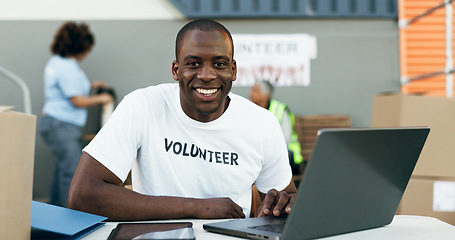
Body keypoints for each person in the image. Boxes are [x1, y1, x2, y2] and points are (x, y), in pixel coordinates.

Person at [68, 19, 297, 221]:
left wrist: (284, 205)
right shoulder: (142, 106)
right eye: (193, 63)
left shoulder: (262, 123)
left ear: (233, 70)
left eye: (219, 64)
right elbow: (83, 195)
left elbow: (285, 197)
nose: (206, 75)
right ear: (176, 70)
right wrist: (196, 207)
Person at [39, 22, 114, 207]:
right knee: (70, 173)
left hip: (53, 123)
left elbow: (68, 89)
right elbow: (77, 100)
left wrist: (91, 86)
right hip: (61, 125)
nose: (87, 53)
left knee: (62, 172)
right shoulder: (67, 67)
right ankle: (69, 219)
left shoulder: (57, 62)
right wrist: (102, 98)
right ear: (80, 47)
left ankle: (56, 217)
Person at [249, 80, 304, 175]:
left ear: (266, 95)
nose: (250, 94)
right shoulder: (250, 109)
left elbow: (285, 138)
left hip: (286, 154)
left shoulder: (280, 109)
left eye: (255, 91)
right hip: (259, 153)